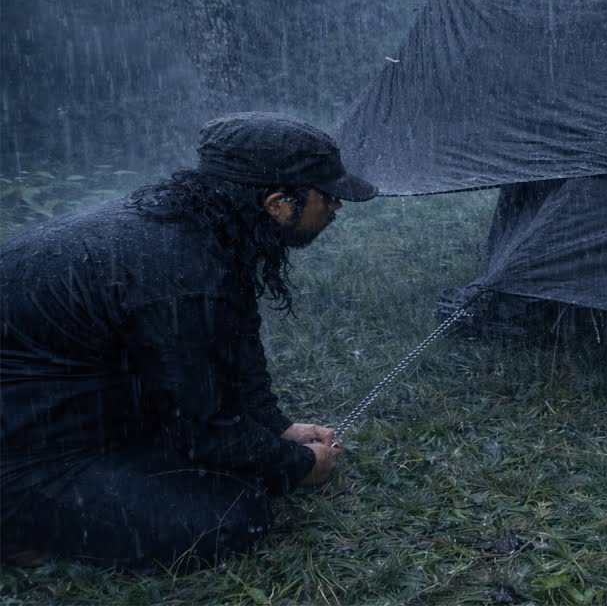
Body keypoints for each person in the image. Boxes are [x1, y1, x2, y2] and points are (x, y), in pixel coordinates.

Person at [0, 112, 377, 570]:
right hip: (24, 451)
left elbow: (234, 347)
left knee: (229, 466)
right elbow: (203, 425)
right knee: (227, 518)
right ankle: (18, 525)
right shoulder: (180, 273)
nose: (337, 207)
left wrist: (277, 428)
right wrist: (296, 465)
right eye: (329, 196)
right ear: (278, 203)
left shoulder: (201, 230)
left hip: (65, 404)